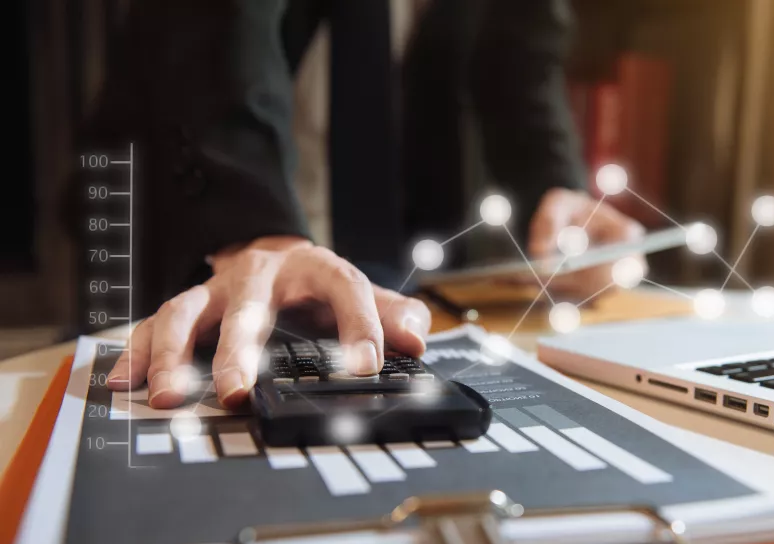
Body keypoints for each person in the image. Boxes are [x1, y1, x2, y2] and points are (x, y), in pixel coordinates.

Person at [99, 0, 646, 409]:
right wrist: (255, 229)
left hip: (409, 291)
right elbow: (217, 27)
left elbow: (521, 47)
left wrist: (557, 188)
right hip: (198, 241)